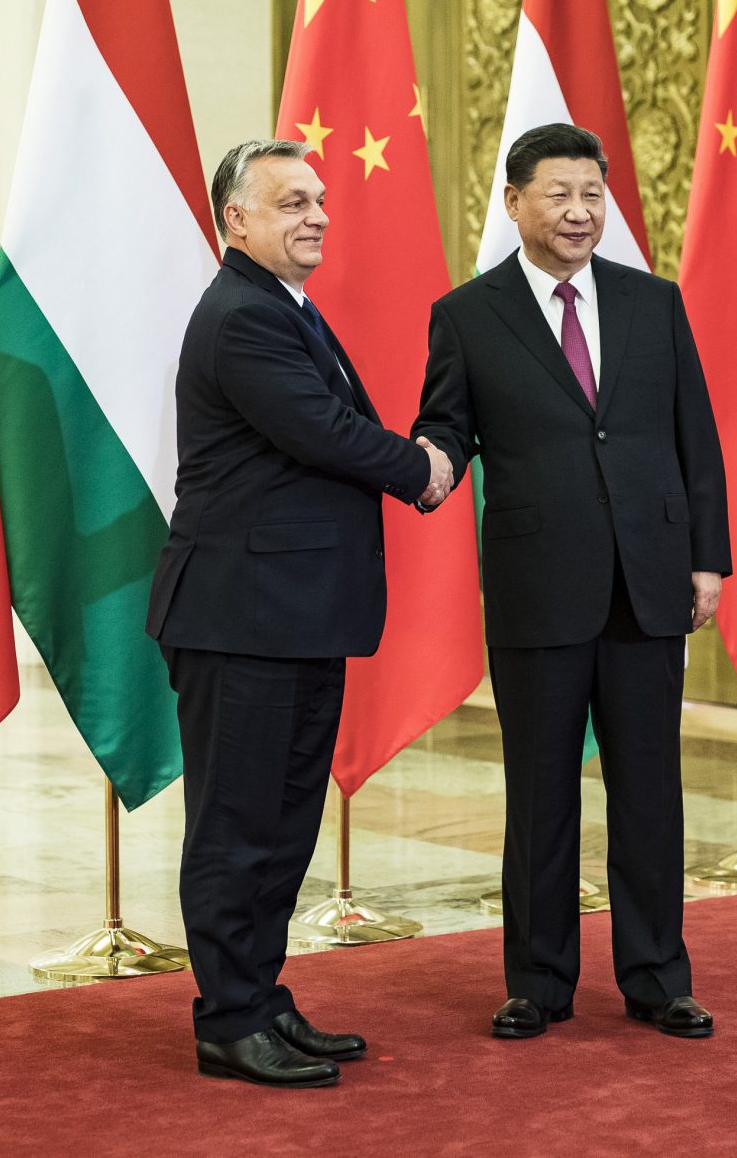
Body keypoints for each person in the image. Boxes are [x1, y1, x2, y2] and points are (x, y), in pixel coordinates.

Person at [146, 139, 454, 1087]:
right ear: (236, 219)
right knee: (238, 827)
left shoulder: (282, 305)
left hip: (291, 614)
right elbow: (321, 431)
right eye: (291, 202)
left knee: (282, 825)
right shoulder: (243, 314)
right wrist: (423, 467)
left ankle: (260, 996)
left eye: (319, 199)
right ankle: (228, 1019)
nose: (316, 215)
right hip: (241, 617)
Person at [413, 122, 730, 1040]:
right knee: (540, 792)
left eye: (593, 194)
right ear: (515, 202)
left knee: (649, 790)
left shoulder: (653, 303)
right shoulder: (467, 315)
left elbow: (696, 438)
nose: (580, 211)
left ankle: (657, 976)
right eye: (559, 194)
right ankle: (538, 981)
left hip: (647, 580)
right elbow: (446, 426)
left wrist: (707, 557)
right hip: (537, 584)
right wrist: (421, 466)